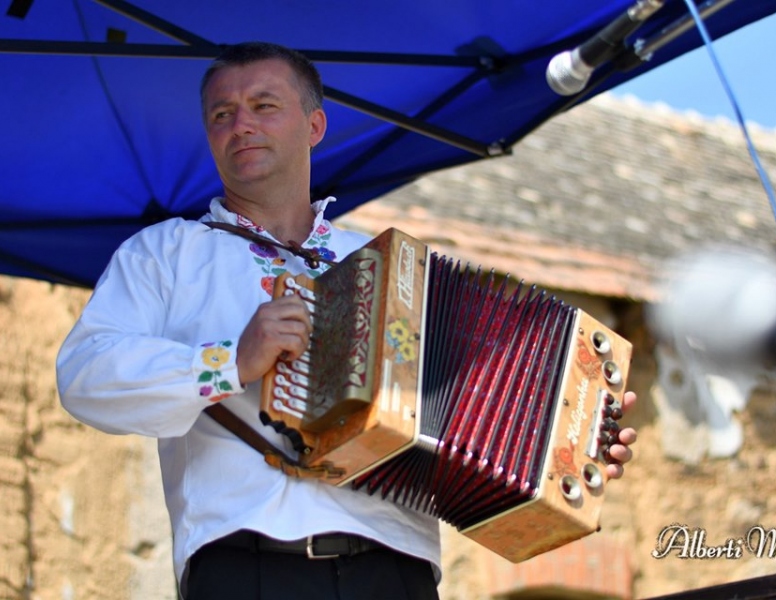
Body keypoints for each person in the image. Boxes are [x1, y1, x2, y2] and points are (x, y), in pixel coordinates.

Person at [56, 42, 638, 600]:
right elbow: (85, 376)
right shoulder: (164, 253)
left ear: (314, 126)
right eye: (222, 114)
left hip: (397, 573)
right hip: (248, 568)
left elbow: (482, 394)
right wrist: (229, 362)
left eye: (264, 106)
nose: (241, 125)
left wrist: (577, 441)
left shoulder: (391, 262)